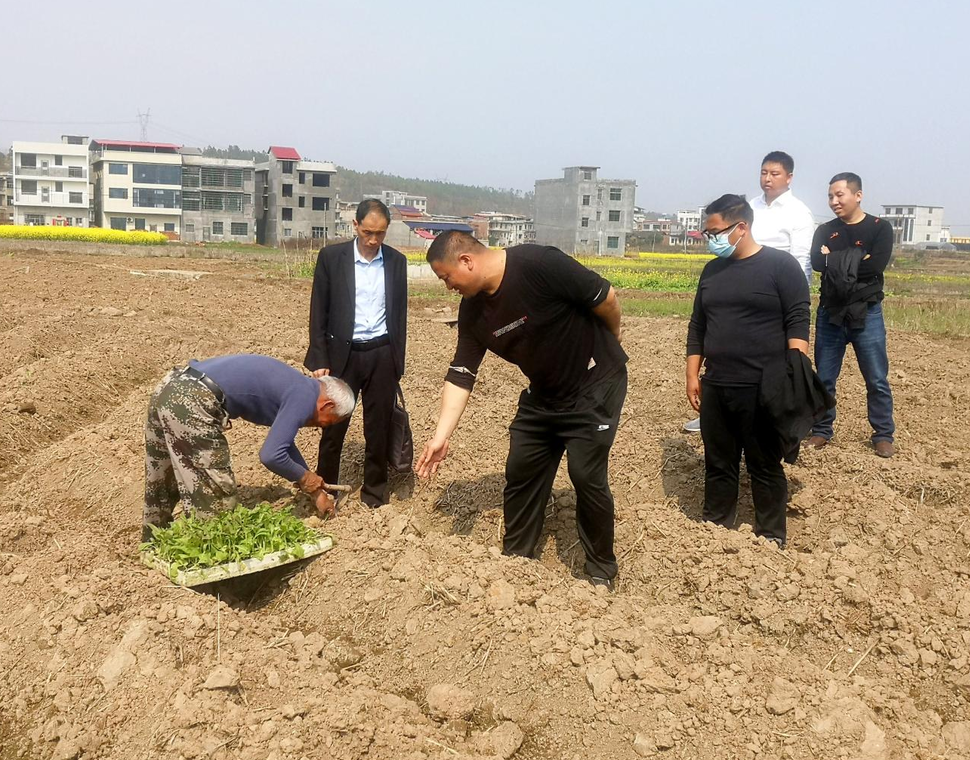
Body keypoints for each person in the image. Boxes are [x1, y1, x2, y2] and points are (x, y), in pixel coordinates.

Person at [414, 231, 628, 588]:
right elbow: (461, 372)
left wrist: (613, 336)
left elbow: (604, 296)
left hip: (595, 383)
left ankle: (601, 571)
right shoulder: (473, 311)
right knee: (522, 469)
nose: (447, 286)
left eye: (446, 277)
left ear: (466, 261)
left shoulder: (538, 263)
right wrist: (441, 436)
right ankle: (516, 562)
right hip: (544, 393)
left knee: (585, 475)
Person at [685, 194, 810, 547]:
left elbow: (798, 321)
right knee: (718, 463)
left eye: (715, 232)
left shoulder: (780, 267)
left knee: (764, 465)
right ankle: (715, 530)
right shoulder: (712, 272)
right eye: (707, 233)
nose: (711, 239)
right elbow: (698, 326)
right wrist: (693, 374)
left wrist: (793, 376)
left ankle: (771, 536)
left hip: (763, 387)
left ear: (741, 227)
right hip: (718, 384)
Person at [142, 354, 355, 540]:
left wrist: (316, 492)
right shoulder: (304, 397)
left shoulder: (298, 386)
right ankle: (216, 572)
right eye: (326, 422)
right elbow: (271, 455)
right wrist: (307, 479)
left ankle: (154, 544)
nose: (319, 427)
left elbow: (284, 444)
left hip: (172, 385)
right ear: (327, 405)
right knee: (215, 493)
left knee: (162, 478)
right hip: (194, 398)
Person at [684, 150, 814, 433]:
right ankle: (716, 411)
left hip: (774, 289)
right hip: (737, 276)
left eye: (774, 173)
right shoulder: (750, 207)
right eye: (764, 172)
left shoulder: (798, 214)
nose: (767, 179)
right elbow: (699, 325)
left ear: (789, 177)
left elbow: (802, 262)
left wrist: (795, 368)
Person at [305, 199, 408, 507]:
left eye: (380, 233)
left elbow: (399, 314)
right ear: (355, 226)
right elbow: (318, 310)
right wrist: (320, 358)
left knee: (378, 428)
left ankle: (375, 493)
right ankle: (327, 490)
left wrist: (396, 359)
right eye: (368, 232)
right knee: (334, 428)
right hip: (342, 356)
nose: (373, 240)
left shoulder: (396, 262)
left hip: (381, 354)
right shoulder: (332, 258)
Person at [804, 173, 896, 457]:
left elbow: (876, 266)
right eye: (830, 196)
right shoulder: (825, 230)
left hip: (867, 312)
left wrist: (835, 258)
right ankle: (821, 430)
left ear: (858, 195)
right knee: (825, 378)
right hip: (831, 312)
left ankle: (883, 434)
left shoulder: (880, 228)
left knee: (877, 378)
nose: (834, 201)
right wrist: (856, 258)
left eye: (840, 195)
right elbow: (819, 264)